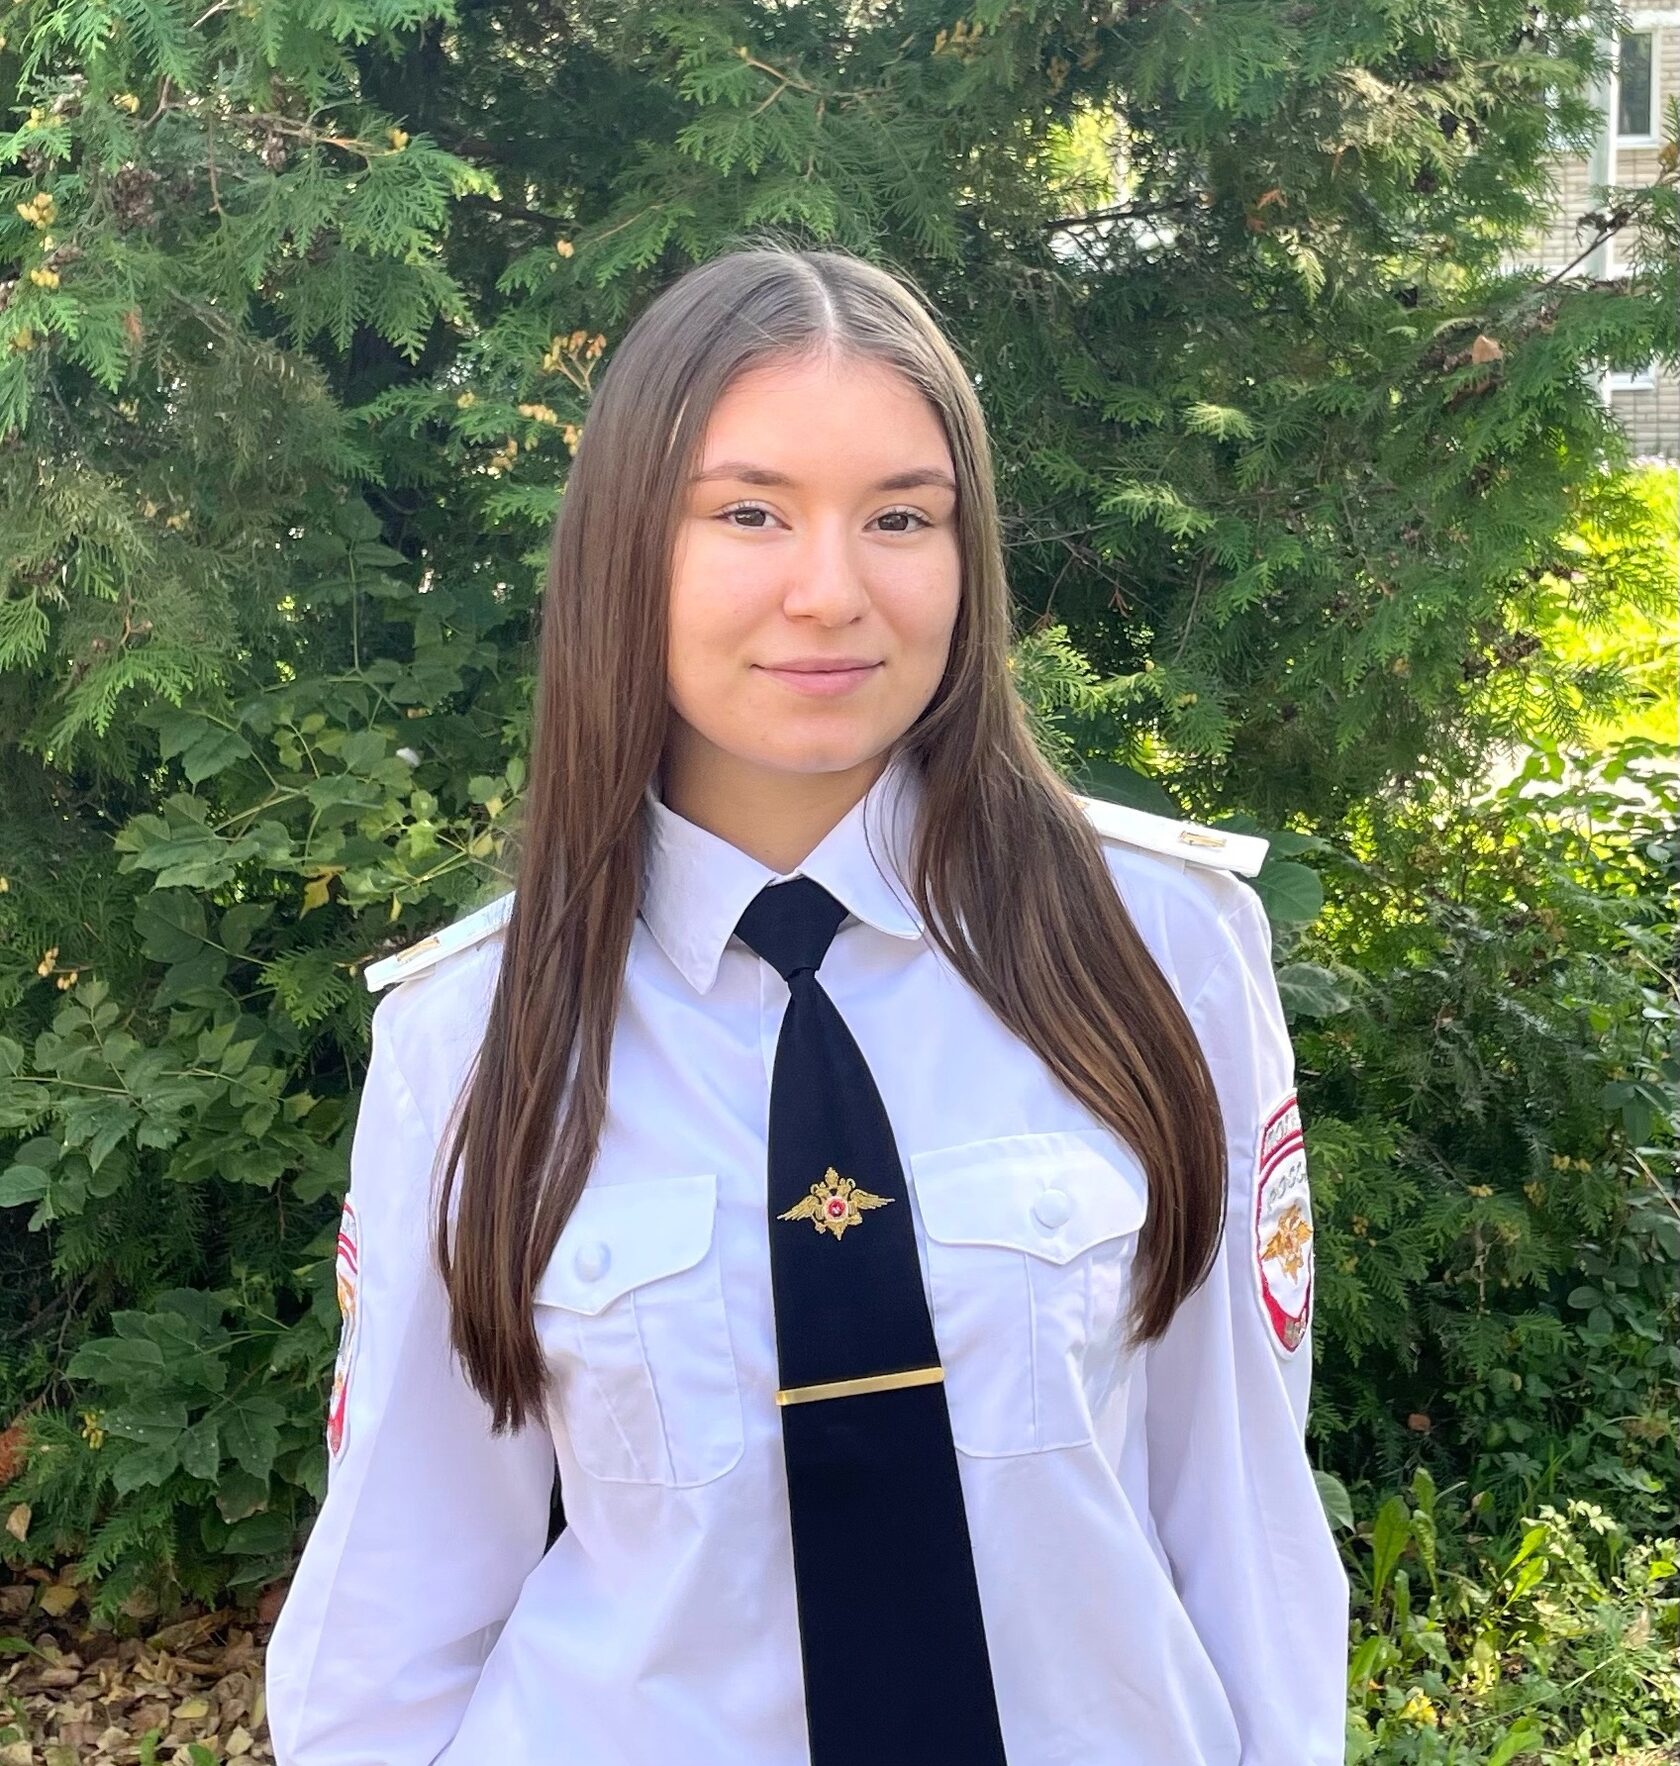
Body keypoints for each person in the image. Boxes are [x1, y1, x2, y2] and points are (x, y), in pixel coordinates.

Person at [264, 243, 1350, 1764]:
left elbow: (1243, 1514)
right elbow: (394, 1604)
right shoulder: (472, 1036)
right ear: (627, 548)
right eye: (748, 512)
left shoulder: (1160, 948)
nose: (831, 591)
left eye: (901, 517)